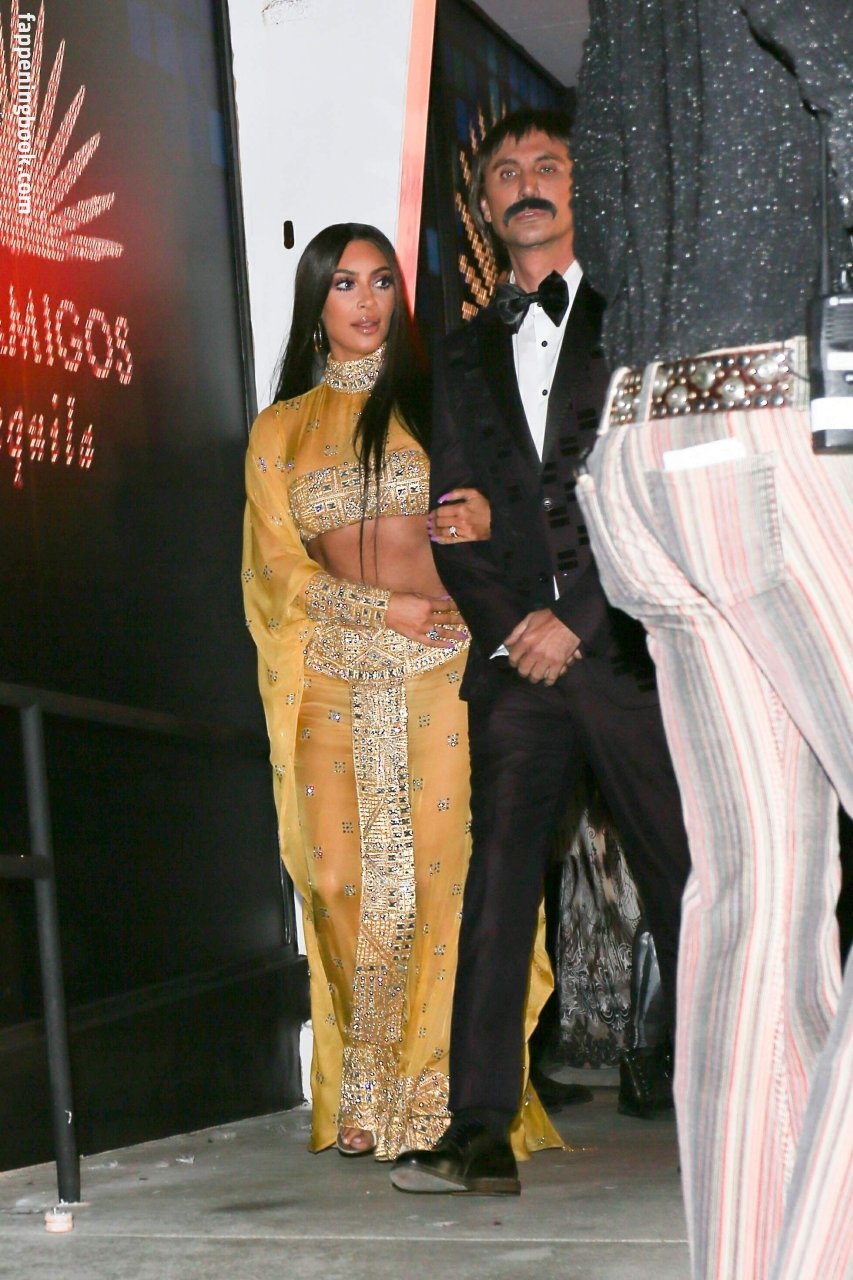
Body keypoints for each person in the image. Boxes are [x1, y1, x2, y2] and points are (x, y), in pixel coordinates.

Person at [571, 4, 852, 1277]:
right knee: (752, 896)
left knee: (750, 903)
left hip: (647, 445)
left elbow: (606, 212)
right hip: (776, 421)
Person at [390, 110, 691, 1196]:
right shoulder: (460, 349)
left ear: (579, 186)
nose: (526, 182)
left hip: (628, 648)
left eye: (546, 166)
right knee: (497, 885)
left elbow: (664, 485)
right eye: (505, 171)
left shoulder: (640, 316)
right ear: (482, 205)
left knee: (685, 877)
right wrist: (517, 625)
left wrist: (583, 618)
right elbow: (453, 510)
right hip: (516, 661)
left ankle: (743, 1097)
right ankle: (477, 1129)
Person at [242, 223, 560, 1163]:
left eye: (382, 281)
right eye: (344, 284)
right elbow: (274, 570)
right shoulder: (280, 429)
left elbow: (525, 506)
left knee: (442, 883)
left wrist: (490, 520)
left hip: (444, 666)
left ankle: (438, 1100)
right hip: (334, 672)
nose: (366, 301)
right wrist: (381, 608)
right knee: (337, 882)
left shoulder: (441, 401)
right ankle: (367, 1083)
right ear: (316, 303)